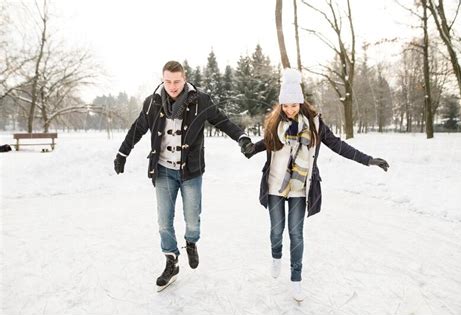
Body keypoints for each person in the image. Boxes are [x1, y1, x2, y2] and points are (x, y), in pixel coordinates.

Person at [243, 69, 389, 302]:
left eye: (294, 105)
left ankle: (296, 280)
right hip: (275, 187)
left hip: (301, 187)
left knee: (296, 233)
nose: (290, 110)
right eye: (286, 106)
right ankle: (276, 255)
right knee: (276, 232)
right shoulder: (274, 125)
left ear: (301, 102)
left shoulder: (315, 125)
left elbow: (339, 146)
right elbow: (265, 143)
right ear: (281, 105)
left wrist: (368, 160)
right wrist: (252, 149)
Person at [114, 61, 252, 291]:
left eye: (177, 81)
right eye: (168, 81)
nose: (172, 86)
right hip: (163, 171)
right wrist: (122, 153)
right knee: (164, 222)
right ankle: (171, 260)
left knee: (192, 219)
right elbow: (137, 129)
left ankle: (191, 242)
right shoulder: (153, 102)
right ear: (162, 79)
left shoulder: (201, 101)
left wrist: (242, 138)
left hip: (190, 171)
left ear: (184, 79)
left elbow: (223, 122)